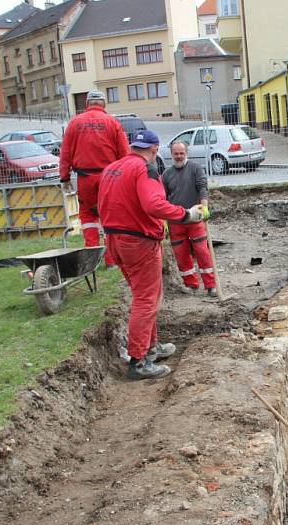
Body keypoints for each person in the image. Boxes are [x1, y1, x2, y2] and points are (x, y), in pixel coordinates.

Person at [98, 130, 204, 380]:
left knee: (145, 295)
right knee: (146, 299)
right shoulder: (145, 170)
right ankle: (138, 361)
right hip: (138, 241)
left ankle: (150, 347)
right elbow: (153, 205)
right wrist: (187, 215)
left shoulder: (112, 168)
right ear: (155, 150)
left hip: (115, 239)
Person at [59, 90, 129, 264]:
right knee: (110, 215)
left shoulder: (74, 123)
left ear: (87, 104)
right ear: (103, 104)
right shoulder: (113, 123)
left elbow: (65, 152)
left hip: (85, 178)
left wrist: (64, 178)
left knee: (88, 216)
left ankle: (92, 258)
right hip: (109, 178)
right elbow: (124, 153)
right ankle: (111, 260)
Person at [162, 141, 217, 296]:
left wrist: (204, 206)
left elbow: (202, 187)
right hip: (175, 222)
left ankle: (211, 285)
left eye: (181, 153)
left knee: (202, 252)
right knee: (181, 254)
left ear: (186, 153)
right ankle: (191, 284)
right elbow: (162, 198)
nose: (179, 156)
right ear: (171, 154)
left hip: (195, 219)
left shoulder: (195, 168)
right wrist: (163, 221)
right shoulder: (166, 175)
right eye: (176, 154)